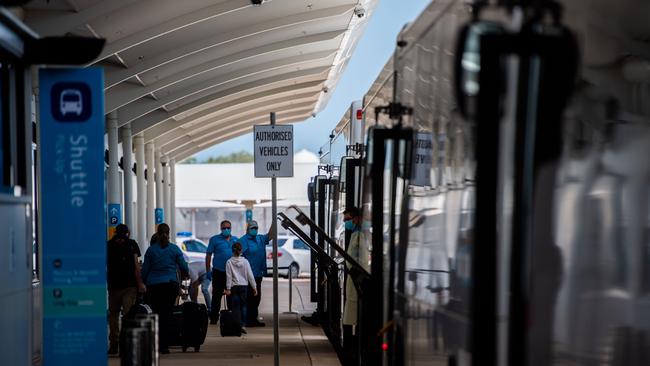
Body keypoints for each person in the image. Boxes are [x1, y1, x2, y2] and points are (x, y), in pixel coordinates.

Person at [141, 223, 189, 354]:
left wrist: (142, 282)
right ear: (169, 233)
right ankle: (164, 345)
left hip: (154, 286)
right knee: (167, 314)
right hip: (170, 285)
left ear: (157, 233)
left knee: (156, 314)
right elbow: (184, 267)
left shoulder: (151, 250)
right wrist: (186, 274)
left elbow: (145, 270)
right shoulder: (174, 249)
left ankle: (156, 344)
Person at [107, 224, 145, 355]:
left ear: (115, 232)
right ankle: (127, 344)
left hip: (113, 286)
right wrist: (140, 283)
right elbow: (136, 266)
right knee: (128, 315)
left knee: (113, 315)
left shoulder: (109, 245)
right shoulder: (132, 244)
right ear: (128, 233)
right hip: (129, 285)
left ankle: (114, 344)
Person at [239, 220, 275, 327]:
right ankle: (248, 320)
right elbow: (237, 255)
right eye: (252, 228)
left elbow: (270, 235)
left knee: (256, 298)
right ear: (248, 229)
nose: (254, 230)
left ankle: (253, 319)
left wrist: (273, 221)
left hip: (258, 274)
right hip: (248, 275)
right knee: (250, 298)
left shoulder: (260, 239)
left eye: (256, 228)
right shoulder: (243, 240)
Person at [205, 220, 238, 324]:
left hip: (232, 272)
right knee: (216, 296)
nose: (226, 230)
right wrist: (208, 271)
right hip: (218, 271)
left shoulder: (235, 240)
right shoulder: (214, 240)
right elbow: (208, 255)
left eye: (228, 228)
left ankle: (230, 317)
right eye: (224, 228)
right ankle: (214, 318)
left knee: (231, 295)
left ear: (231, 228)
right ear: (221, 229)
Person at [225, 242, 258, 334]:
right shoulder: (245, 262)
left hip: (234, 287)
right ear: (241, 251)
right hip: (244, 287)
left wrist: (228, 289)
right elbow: (250, 275)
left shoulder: (229, 262)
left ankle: (237, 325)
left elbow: (229, 276)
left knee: (235, 307)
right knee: (243, 306)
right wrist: (254, 287)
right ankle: (243, 325)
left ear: (232, 251)